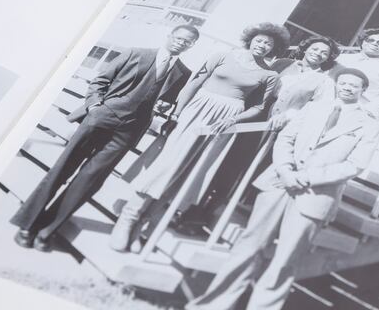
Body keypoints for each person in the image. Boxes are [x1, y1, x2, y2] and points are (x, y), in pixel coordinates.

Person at [186, 68, 379, 310]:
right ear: (336, 84)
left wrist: (306, 178)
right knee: (248, 247)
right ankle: (213, 305)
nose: (347, 88)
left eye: (354, 85)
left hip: (316, 195)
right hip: (278, 183)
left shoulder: (369, 124)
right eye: (343, 83)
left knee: (286, 259)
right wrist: (287, 172)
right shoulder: (314, 107)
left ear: (363, 90)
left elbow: (355, 165)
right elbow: (286, 139)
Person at [10, 24, 200, 251]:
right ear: (169, 36)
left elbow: (165, 100)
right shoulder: (136, 53)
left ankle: (47, 230)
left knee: (89, 181)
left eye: (187, 42)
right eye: (179, 38)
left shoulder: (183, 73)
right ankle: (27, 224)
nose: (181, 43)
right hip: (101, 118)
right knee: (62, 170)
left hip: (129, 131)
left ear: (192, 46)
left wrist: (164, 105)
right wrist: (95, 107)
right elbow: (100, 80)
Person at [109, 22, 290, 253]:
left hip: (223, 125)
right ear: (251, 39)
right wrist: (177, 113)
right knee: (166, 167)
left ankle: (143, 227)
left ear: (274, 49)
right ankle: (128, 219)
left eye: (269, 44)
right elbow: (194, 83)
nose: (263, 46)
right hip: (195, 114)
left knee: (189, 174)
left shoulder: (269, 74)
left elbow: (258, 107)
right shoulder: (222, 56)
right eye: (260, 40)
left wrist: (234, 120)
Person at [175, 36, 341, 235]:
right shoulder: (282, 64)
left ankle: (204, 216)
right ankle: (186, 208)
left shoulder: (324, 81)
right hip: (251, 118)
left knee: (241, 173)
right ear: (305, 48)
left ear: (328, 58)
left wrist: (291, 115)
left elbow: (318, 111)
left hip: (277, 130)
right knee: (221, 163)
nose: (318, 53)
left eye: (324, 52)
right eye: (315, 48)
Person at [336, 28, 379, 116]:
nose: (375, 43)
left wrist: (364, 112)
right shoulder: (342, 58)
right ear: (363, 42)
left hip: (359, 112)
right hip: (329, 104)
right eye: (370, 40)